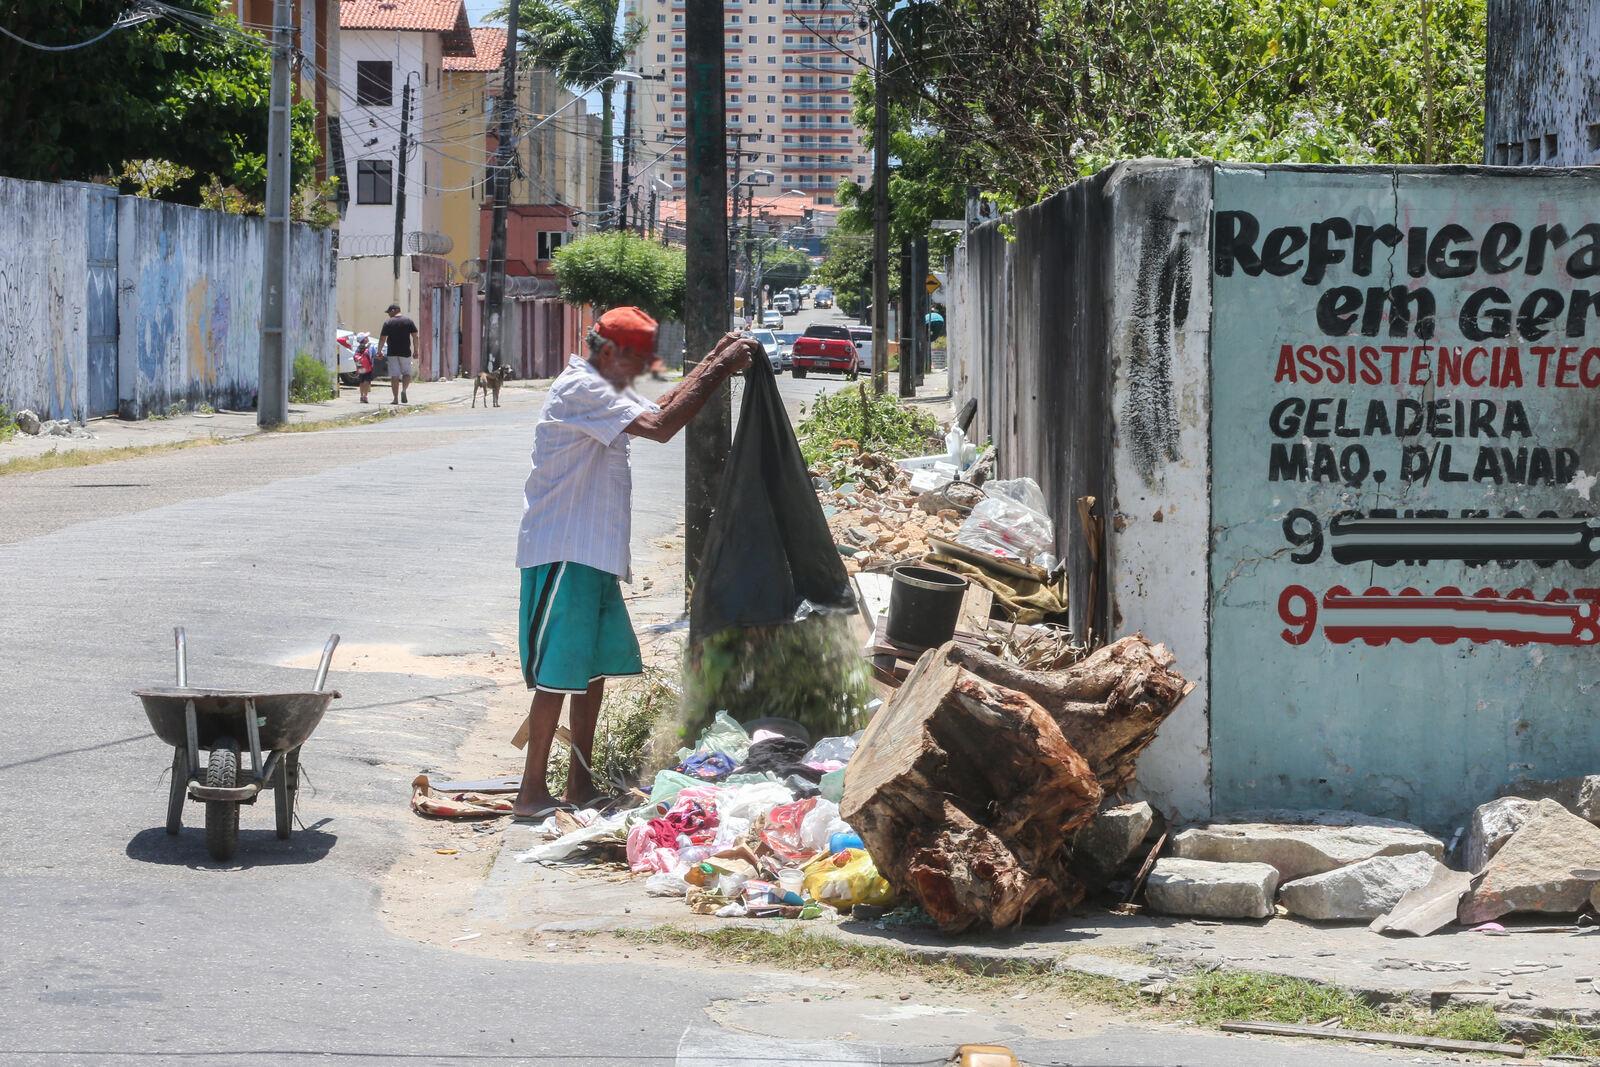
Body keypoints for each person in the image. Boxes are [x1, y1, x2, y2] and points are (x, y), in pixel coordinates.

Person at [511, 307, 757, 818]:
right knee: (557, 675)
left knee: (591, 670)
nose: (642, 371)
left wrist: (712, 357)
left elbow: (661, 403)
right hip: (564, 548)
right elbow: (662, 424)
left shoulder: (606, 386)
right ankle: (531, 791)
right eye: (636, 360)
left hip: (593, 553)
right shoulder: (583, 388)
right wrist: (719, 368)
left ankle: (579, 784)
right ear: (608, 352)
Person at [379, 303, 418, 404]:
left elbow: (383, 338)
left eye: (389, 312)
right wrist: (416, 350)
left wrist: (379, 351)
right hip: (405, 352)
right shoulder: (408, 321)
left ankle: (395, 398)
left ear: (394, 310)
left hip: (392, 352)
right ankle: (404, 391)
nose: (388, 315)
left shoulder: (388, 322)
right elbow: (415, 337)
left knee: (394, 376)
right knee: (406, 373)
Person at [352, 332, 376, 404]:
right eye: (366, 337)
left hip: (361, 367)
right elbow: (374, 355)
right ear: (364, 339)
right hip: (368, 367)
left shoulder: (358, 348)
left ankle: (361, 395)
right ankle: (365, 396)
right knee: (367, 381)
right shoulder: (370, 346)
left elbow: (355, 356)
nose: (367, 338)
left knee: (361, 381)